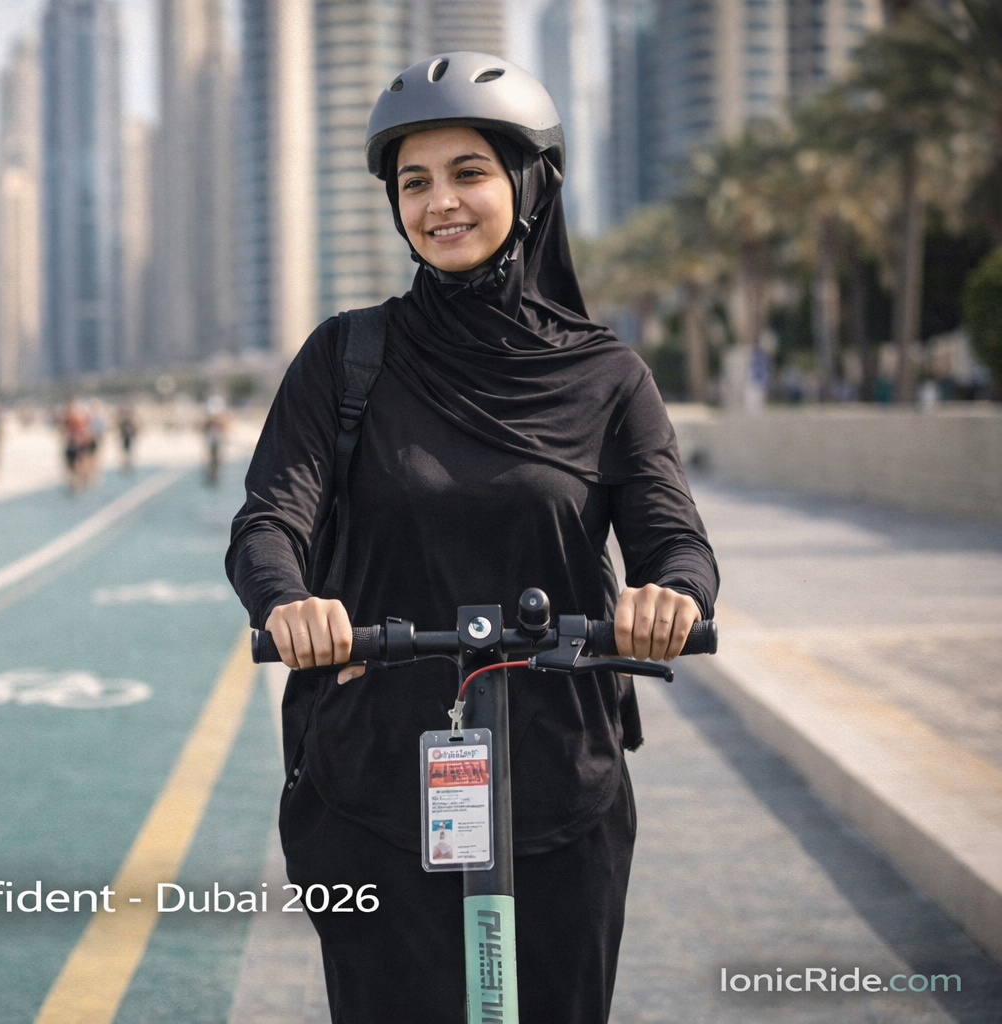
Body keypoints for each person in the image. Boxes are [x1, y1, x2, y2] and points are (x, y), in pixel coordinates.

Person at [226, 53, 718, 1024]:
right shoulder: (346, 358)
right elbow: (269, 519)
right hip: (372, 774)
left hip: (559, 779)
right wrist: (288, 602)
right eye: (415, 182)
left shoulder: (607, 378)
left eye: (469, 172)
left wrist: (672, 596)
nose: (439, 202)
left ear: (528, 185)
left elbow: (674, 540)